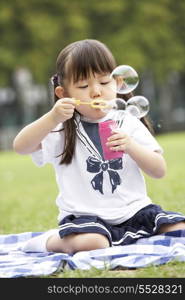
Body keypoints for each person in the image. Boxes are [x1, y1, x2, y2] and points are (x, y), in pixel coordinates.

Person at [13, 39, 185, 254]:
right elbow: (20, 146)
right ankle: (46, 241)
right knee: (95, 243)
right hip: (86, 218)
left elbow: (159, 170)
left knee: (179, 230)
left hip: (134, 212)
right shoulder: (61, 127)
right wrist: (51, 117)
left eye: (104, 82)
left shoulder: (127, 120)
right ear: (63, 93)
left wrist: (131, 147)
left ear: (118, 83)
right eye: (84, 86)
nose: (96, 92)